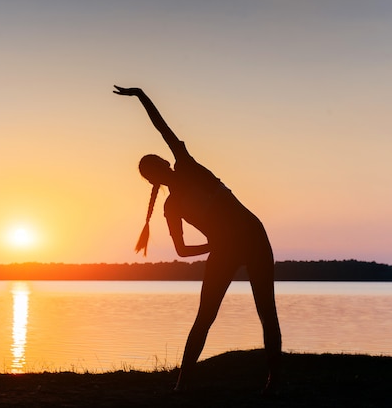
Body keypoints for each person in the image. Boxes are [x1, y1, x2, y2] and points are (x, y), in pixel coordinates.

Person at [113, 85, 282, 394]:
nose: (159, 173)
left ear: (165, 163)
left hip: (253, 235)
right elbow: (180, 250)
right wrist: (211, 246)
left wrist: (141, 96)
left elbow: (162, 127)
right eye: (153, 174)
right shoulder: (171, 206)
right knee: (205, 316)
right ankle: (183, 383)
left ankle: (275, 380)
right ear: (152, 180)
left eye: (158, 166)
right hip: (225, 249)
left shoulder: (187, 165)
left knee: (266, 312)